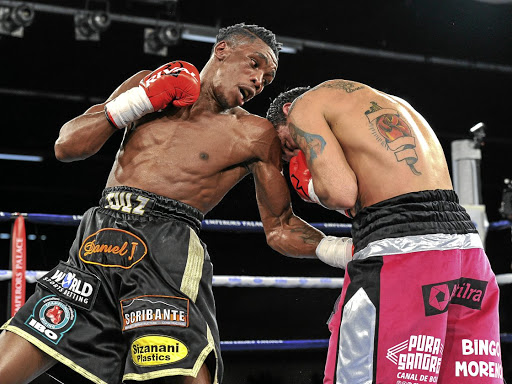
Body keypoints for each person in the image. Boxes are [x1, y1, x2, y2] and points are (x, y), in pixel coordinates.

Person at [0, 24, 349, 384]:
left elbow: (280, 228)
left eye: (268, 76)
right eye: (255, 64)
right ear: (223, 50)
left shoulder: (255, 134)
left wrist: (349, 251)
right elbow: (66, 147)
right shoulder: (148, 84)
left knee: (184, 373)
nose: (260, 80)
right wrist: (137, 101)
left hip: (167, 253)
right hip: (96, 242)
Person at [266, 82, 504, 383]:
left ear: (286, 111)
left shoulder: (304, 106)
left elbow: (341, 193)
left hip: (403, 253)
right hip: (467, 251)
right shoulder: (394, 104)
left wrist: (312, 188)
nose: (297, 154)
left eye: (289, 145)